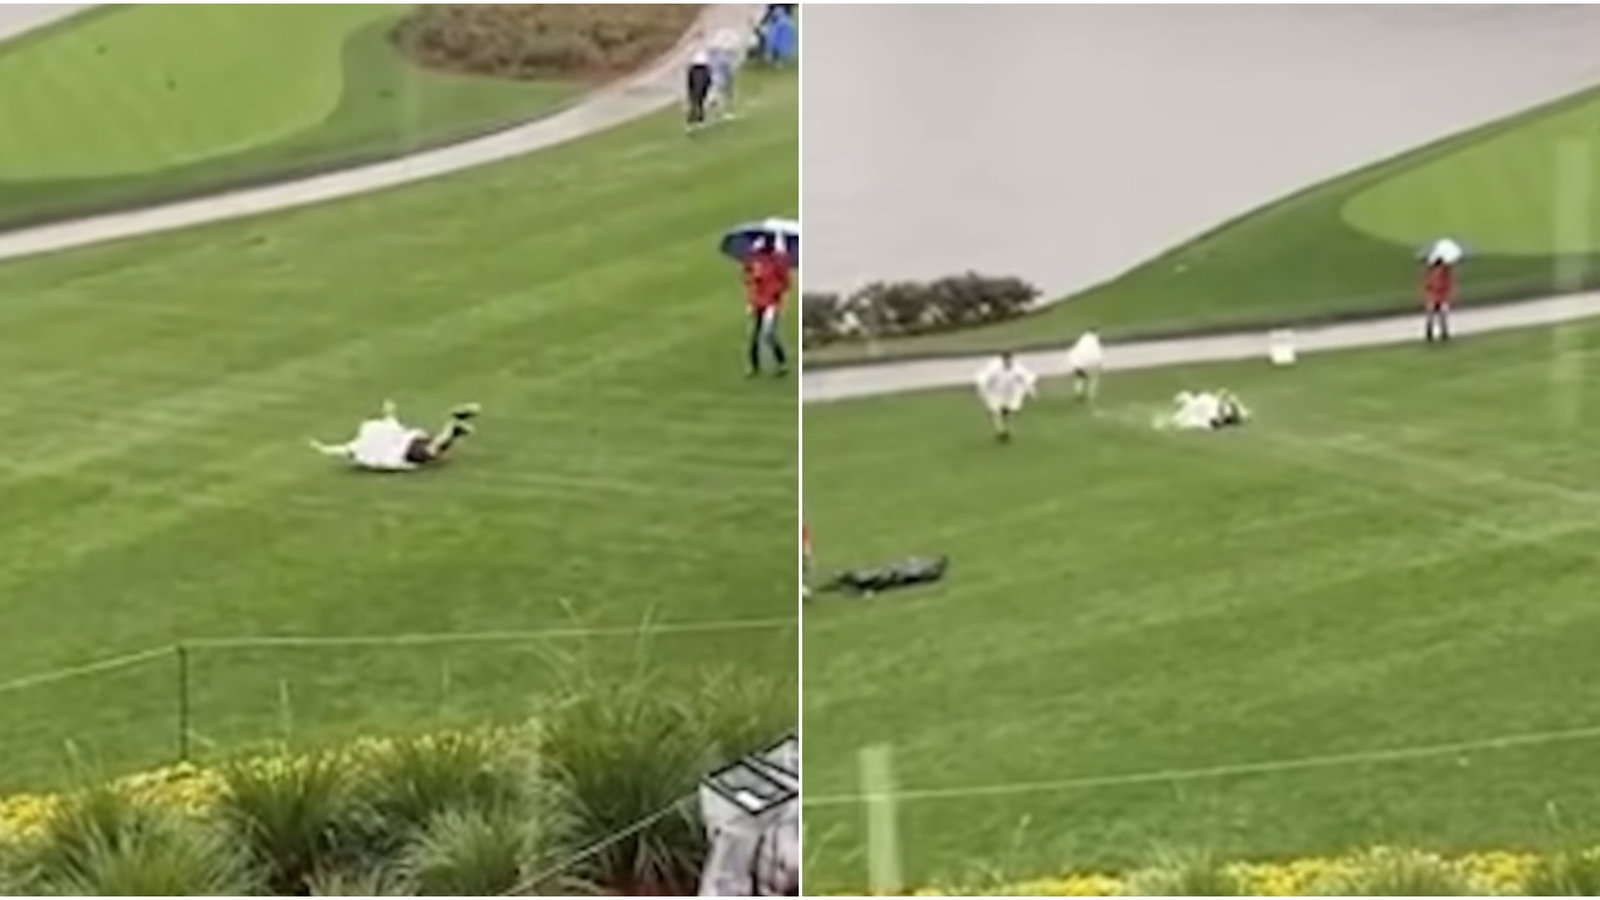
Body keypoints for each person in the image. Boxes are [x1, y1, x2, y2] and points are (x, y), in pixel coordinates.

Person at [310, 400, 478, 471]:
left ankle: (454, 424)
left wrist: (322, 448)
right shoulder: (371, 435)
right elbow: (391, 419)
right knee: (435, 447)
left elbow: (340, 450)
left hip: (404, 451)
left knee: (433, 450)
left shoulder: (360, 446)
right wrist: (389, 409)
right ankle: (454, 429)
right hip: (408, 442)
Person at [744, 233, 791, 376]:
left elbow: (785, 282)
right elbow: (748, 276)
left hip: (772, 302)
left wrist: (778, 293)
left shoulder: (779, 260)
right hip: (758, 301)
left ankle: (781, 362)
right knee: (754, 335)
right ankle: (754, 366)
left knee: (768, 333)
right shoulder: (756, 258)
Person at [974, 351, 1037, 443]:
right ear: (1003, 360)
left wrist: (1031, 391)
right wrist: (982, 389)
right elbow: (985, 378)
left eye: (1009, 360)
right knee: (994, 411)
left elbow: (1026, 379)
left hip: (1012, 393)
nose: (1008, 362)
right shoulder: (994, 367)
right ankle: (1000, 431)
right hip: (996, 392)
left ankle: (1008, 429)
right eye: (1006, 360)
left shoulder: (1018, 368)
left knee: (1008, 412)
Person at [1158, 389, 1248, 431]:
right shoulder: (1202, 398)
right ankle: (1231, 416)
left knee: (1220, 419)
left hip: (1213, 417)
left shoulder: (1192, 404)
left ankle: (1230, 417)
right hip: (1215, 416)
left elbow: (1177, 420)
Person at [1066, 329, 1103, 401]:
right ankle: (1091, 395)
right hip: (1092, 362)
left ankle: (1079, 393)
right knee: (1094, 378)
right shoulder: (1095, 339)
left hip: (1079, 362)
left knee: (1080, 378)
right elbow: (1098, 354)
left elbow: (1073, 352)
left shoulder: (1082, 339)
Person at [686, 48, 714, 132]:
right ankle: (696, 117)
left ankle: (696, 117)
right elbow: (708, 79)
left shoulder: (694, 68)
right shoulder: (703, 68)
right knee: (697, 100)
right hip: (699, 82)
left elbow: (690, 80)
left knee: (697, 100)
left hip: (698, 83)